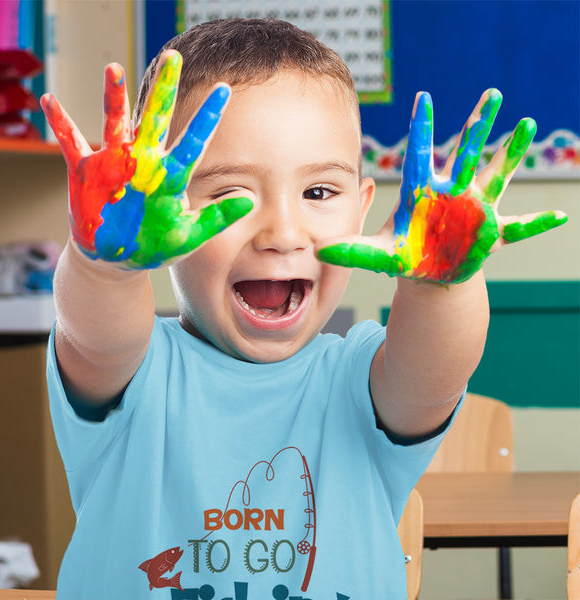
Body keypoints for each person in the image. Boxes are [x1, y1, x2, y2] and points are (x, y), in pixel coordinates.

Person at [41, 18, 566, 599]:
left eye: (319, 193)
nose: (282, 232)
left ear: (361, 210)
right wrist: (104, 263)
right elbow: (95, 332)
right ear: (158, 205)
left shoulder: (361, 381)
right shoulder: (133, 371)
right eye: (230, 193)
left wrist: (442, 283)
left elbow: (437, 370)